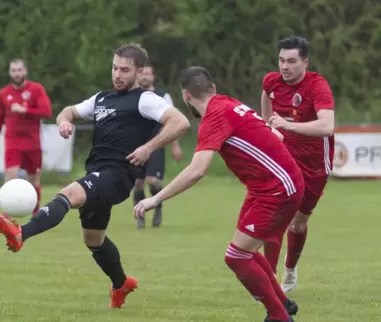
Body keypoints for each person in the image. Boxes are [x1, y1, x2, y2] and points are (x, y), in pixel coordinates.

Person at [0, 44, 190, 309]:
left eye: (125, 70)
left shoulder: (145, 99)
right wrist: (64, 121)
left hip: (117, 175)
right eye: (114, 68)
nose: (117, 74)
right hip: (97, 172)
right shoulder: (102, 98)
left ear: (139, 72)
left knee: (69, 193)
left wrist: (148, 148)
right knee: (93, 240)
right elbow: (69, 111)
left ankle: (21, 234)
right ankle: (121, 284)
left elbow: (180, 122)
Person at [134, 66, 303, 322]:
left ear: (186, 96)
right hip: (268, 186)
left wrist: (156, 198)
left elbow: (197, 170)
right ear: (212, 88)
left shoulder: (214, 116)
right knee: (246, 252)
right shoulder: (227, 103)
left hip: (278, 188)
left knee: (236, 257)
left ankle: (279, 317)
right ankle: (282, 303)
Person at [261, 36, 335, 293]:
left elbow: (328, 126)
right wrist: (268, 125)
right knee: (275, 216)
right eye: (281, 60)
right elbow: (266, 103)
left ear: (305, 62)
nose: (285, 66)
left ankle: (290, 269)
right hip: (284, 158)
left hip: (314, 165)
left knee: (297, 224)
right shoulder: (272, 81)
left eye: (292, 61)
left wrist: (288, 125)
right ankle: (268, 278)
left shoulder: (317, 86)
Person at [0, 59, 52, 214]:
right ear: (9, 73)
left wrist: (26, 110)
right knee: (10, 178)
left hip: (33, 143)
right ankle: (6, 218)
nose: (16, 73)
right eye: (13, 70)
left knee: (33, 181)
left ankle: (36, 215)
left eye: (19, 70)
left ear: (25, 71)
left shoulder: (36, 89)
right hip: (13, 142)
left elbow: (47, 112)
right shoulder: (4, 93)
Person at [134, 63, 183, 228]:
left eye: (148, 74)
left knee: (152, 181)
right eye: (142, 74)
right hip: (135, 145)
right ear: (137, 75)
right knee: (137, 183)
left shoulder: (163, 96)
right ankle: (139, 217)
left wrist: (175, 145)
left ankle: (157, 204)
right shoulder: (132, 96)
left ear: (153, 77)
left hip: (156, 145)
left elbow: (173, 123)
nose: (145, 77)